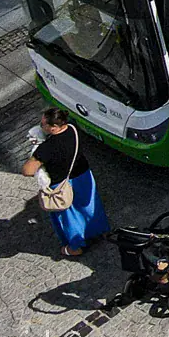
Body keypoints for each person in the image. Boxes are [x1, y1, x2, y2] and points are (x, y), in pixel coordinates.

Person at [23, 108, 106, 258]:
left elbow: (27, 170)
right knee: (89, 207)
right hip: (84, 176)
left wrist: (36, 151)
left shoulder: (47, 148)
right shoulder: (73, 128)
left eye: (43, 125)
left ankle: (75, 247)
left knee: (69, 217)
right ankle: (97, 230)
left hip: (61, 185)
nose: (41, 127)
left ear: (53, 128)